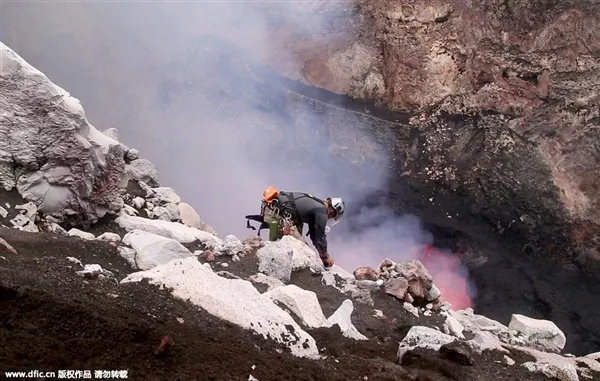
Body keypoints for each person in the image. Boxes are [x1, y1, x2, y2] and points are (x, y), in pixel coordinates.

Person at [251, 187, 345, 268]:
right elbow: (320, 237)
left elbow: (314, 234)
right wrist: (325, 257)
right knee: (302, 249)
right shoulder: (321, 212)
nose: (330, 217)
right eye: (332, 216)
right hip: (275, 213)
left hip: (273, 208)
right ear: (332, 210)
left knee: (301, 237)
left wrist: (319, 251)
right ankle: (274, 260)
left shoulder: (318, 207)